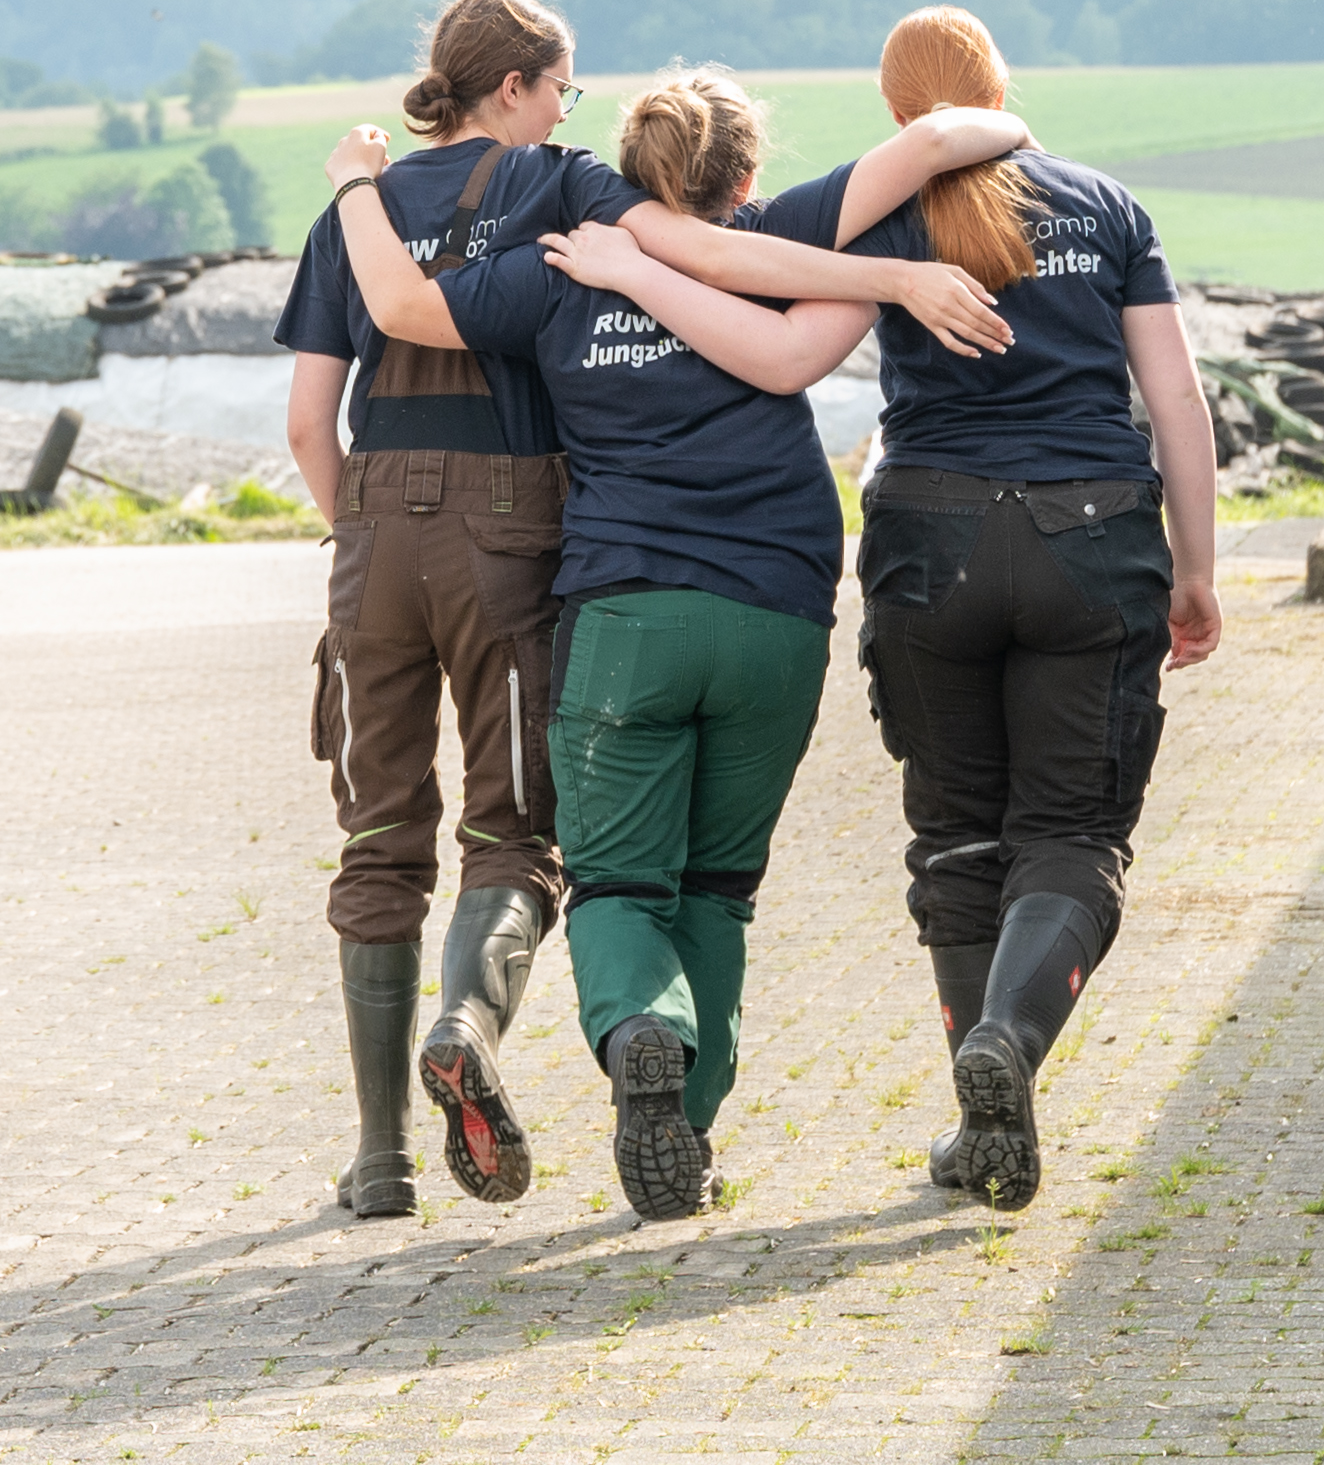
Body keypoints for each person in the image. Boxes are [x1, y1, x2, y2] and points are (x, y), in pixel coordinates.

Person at [318, 67, 1032, 1218]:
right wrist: (1009, 118)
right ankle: (683, 1131)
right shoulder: (781, 235)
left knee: (614, 884)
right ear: (743, 177)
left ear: (631, 171)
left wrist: (357, 186)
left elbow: (401, 310)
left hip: (624, 616)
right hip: (775, 613)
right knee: (716, 885)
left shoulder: (555, 268)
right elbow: (947, 134)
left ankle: (640, 1032)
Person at [553, 8, 1221, 1215]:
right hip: (1091, 538)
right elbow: (1174, 400)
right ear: (997, 86)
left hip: (929, 545)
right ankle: (1007, 1050)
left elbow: (767, 318)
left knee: (959, 840)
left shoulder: (882, 211)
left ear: (890, 105)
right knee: (1069, 833)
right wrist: (1196, 567)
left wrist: (628, 276)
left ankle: (980, 1117)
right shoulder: (1107, 207)